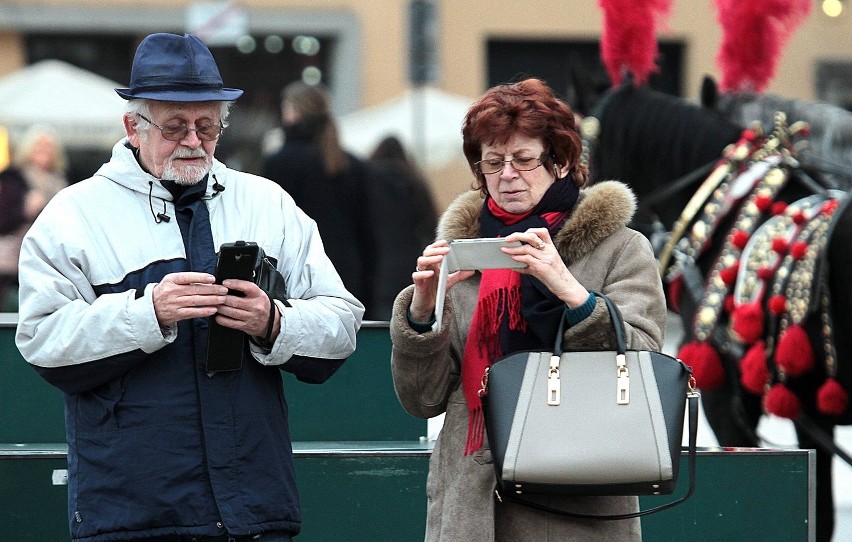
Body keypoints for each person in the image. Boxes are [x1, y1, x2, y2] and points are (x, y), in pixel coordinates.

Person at [15, 33, 363, 542]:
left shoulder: (268, 203)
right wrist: (148, 312)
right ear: (133, 126)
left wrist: (274, 323)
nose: (194, 140)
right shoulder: (72, 215)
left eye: (208, 126)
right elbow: (42, 340)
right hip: (132, 510)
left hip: (253, 508)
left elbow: (341, 323)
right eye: (175, 126)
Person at [389, 78, 666, 541]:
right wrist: (422, 314)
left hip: (580, 499)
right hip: (472, 505)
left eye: (523, 160)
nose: (507, 175)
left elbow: (643, 363)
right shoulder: (464, 255)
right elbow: (423, 400)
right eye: (492, 162)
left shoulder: (620, 247)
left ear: (559, 163)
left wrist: (569, 290)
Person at [261, 81, 376, 318]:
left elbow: (269, 225)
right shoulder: (351, 164)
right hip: (349, 271)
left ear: (293, 113)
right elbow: (368, 229)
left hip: (298, 276)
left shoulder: (280, 162)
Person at [366, 135, 438, 320]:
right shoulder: (415, 182)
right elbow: (431, 225)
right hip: (410, 268)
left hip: (375, 272)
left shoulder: (367, 180)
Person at [0, 125, 69, 310]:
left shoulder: (60, 183)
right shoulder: (13, 178)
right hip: (13, 261)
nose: (44, 151)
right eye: (39, 145)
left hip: (50, 257)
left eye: (48, 147)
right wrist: (25, 210)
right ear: (28, 148)